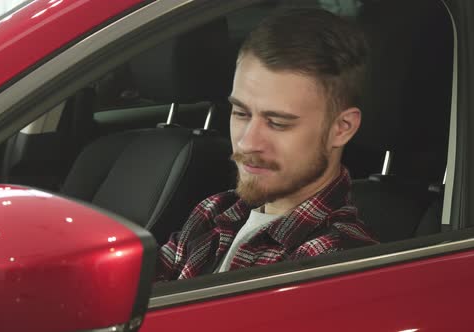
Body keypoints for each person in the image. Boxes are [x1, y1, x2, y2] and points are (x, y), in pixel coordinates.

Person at [156, 7, 378, 281]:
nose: (247, 142)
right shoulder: (214, 212)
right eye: (240, 113)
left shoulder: (334, 264)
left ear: (341, 129)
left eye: (278, 123)